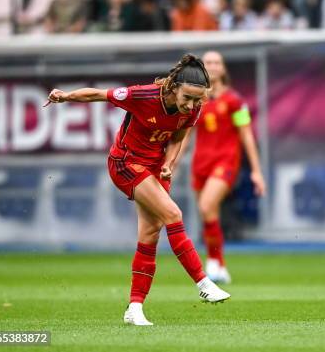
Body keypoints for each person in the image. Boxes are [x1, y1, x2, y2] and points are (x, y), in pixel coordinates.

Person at [44, 54, 230, 326]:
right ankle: (203, 282)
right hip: (125, 163)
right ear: (173, 87)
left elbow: (178, 137)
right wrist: (65, 96)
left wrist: (169, 163)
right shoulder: (143, 96)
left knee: (150, 234)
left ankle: (134, 308)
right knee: (173, 214)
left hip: (154, 168)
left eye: (197, 100)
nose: (191, 106)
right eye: (187, 98)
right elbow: (98, 94)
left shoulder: (193, 107)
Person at [179, 51, 266, 283]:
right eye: (209, 62)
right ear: (203, 68)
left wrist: (256, 172)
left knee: (207, 205)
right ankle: (220, 265)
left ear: (223, 69)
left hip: (225, 162)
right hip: (200, 164)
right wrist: (173, 161)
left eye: (217, 62)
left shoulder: (235, 101)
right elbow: (186, 134)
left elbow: (246, 135)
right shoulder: (197, 100)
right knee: (208, 214)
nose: (213, 66)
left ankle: (212, 263)